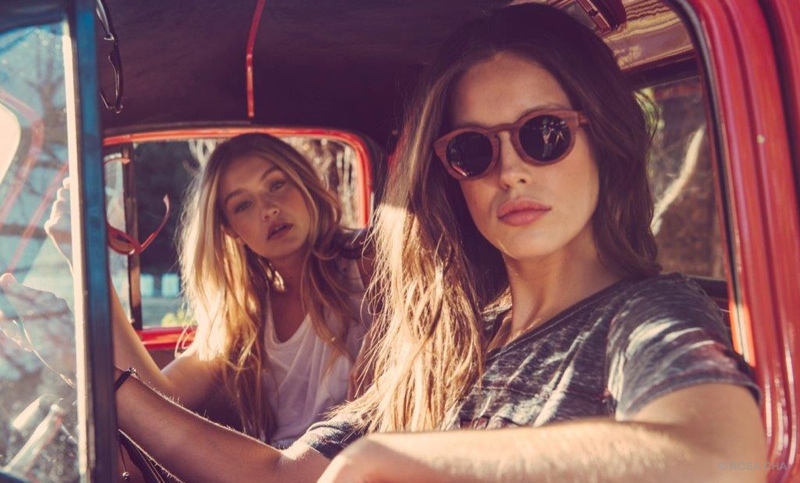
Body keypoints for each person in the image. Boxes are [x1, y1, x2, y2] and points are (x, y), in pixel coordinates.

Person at [110, 4, 765, 482]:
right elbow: (284, 476)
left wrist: (401, 458)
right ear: (453, 177)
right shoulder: (450, 338)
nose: (510, 170)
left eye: (543, 133)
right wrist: (111, 391)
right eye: (474, 149)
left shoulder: (643, 316)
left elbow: (724, 457)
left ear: (603, 141)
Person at [2, 132, 374, 450]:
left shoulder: (367, 264)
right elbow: (160, 397)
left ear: (305, 183)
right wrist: (89, 262)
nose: (268, 209)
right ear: (230, 230)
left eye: (276, 184)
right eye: (243, 204)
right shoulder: (247, 314)